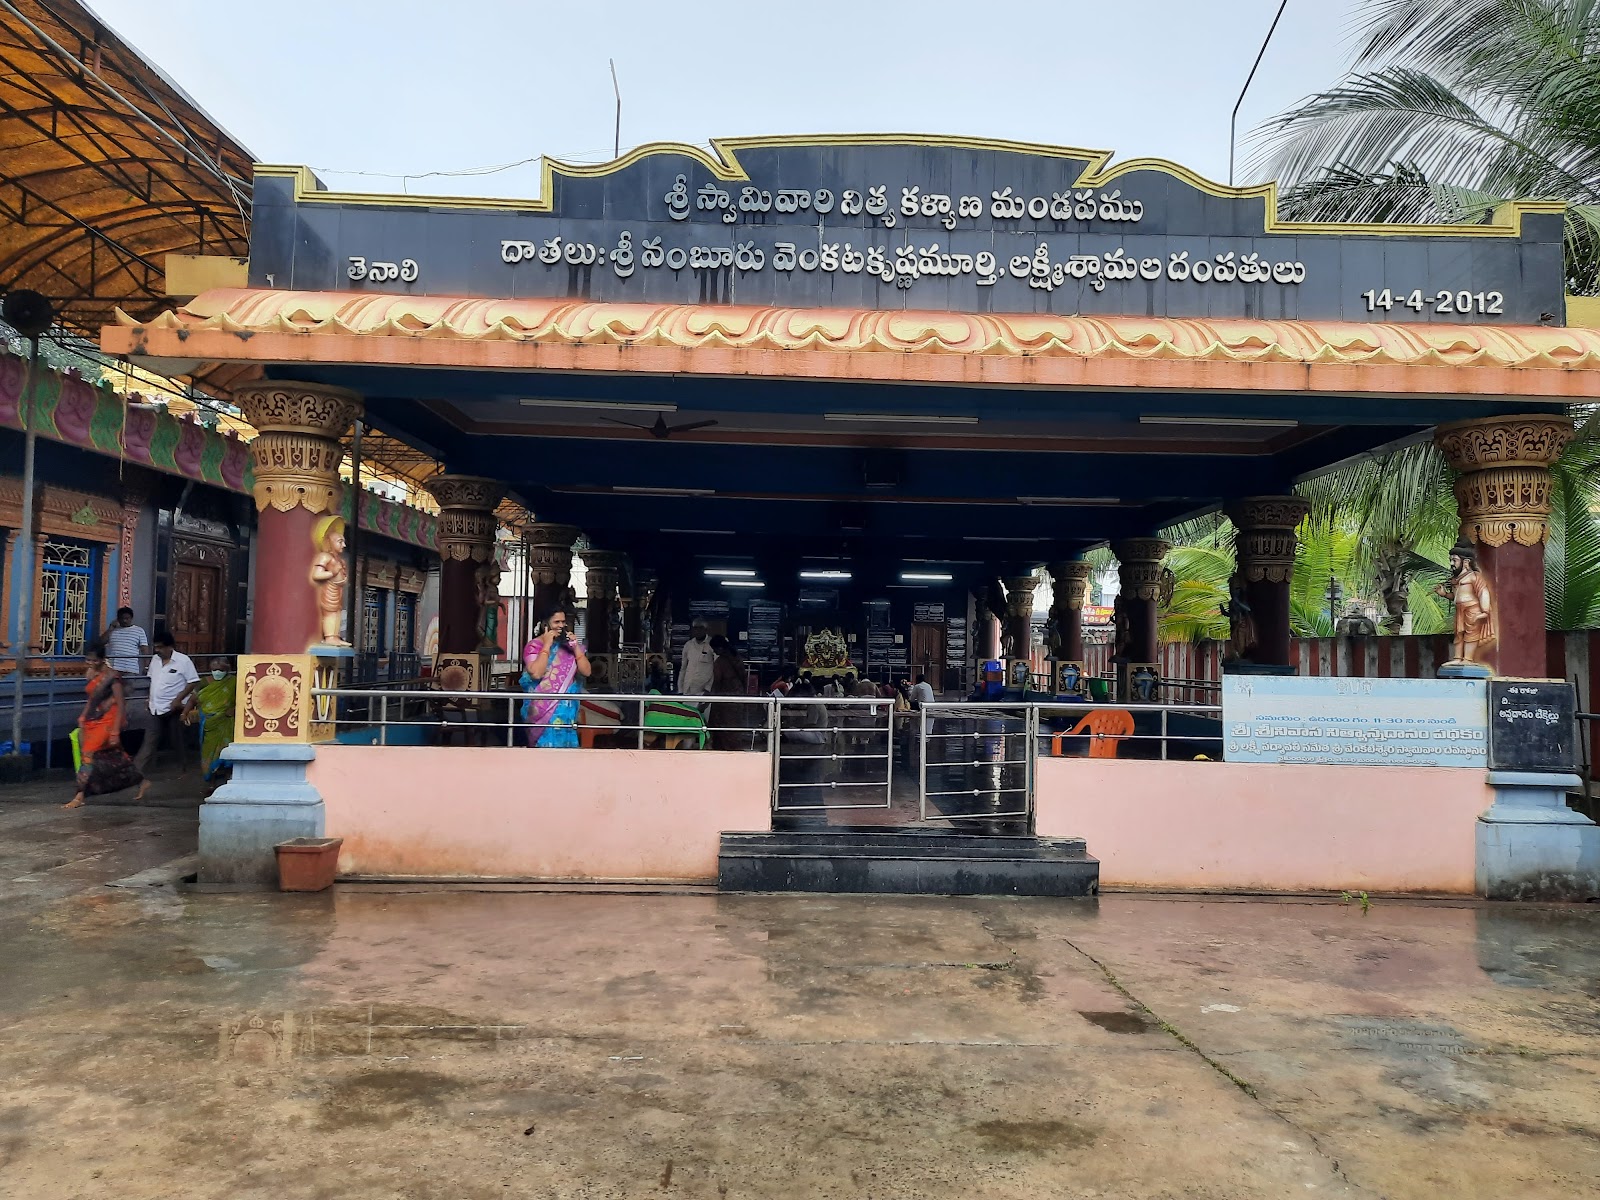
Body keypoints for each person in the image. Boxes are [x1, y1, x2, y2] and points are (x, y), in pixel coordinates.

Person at [65, 643, 147, 808]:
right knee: (112, 755)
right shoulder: (91, 674)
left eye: (93, 660)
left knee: (88, 752)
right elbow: (92, 699)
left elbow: (121, 703)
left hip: (110, 718)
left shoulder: (112, 676)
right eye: (87, 659)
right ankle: (141, 780)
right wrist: (83, 715)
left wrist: (116, 730)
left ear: (102, 660)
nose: (89, 663)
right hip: (95, 718)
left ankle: (80, 795)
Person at [521, 606, 592, 747]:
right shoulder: (534, 646)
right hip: (542, 712)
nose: (561, 626)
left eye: (563, 622)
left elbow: (587, 672)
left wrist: (576, 647)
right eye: (556, 622)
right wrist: (547, 645)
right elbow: (536, 673)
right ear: (545, 624)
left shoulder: (567, 647)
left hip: (566, 713)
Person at [135, 633, 201, 774]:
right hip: (155, 707)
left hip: (174, 708)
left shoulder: (183, 661)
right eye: (156, 647)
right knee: (150, 739)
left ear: (170, 647)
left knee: (176, 739)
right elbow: (153, 681)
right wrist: (149, 698)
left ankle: (183, 767)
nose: (157, 650)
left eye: (160, 647)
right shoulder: (155, 660)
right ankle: (137, 771)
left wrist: (178, 699)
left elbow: (193, 681)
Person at [183, 656, 237, 780]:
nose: (217, 672)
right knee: (208, 752)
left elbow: (243, 699)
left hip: (226, 722)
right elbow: (192, 700)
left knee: (226, 751)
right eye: (215, 669)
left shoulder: (234, 682)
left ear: (227, 670)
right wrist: (184, 713)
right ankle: (211, 781)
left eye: (221, 670)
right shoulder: (203, 682)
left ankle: (228, 778)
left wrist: (235, 709)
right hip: (208, 723)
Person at [309, 515, 351, 647]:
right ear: (330, 542)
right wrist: (332, 572)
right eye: (340, 541)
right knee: (330, 613)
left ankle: (335, 636)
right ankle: (329, 637)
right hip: (329, 590)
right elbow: (316, 574)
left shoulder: (340, 560)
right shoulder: (324, 557)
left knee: (337, 612)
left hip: (338, 589)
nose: (343, 545)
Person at [709, 635, 750, 751]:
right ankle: (735, 750)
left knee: (722, 729)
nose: (714, 652)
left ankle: (725, 751)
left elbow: (716, 682)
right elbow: (744, 678)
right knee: (734, 728)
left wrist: (709, 700)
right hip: (738, 697)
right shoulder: (737, 658)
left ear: (719, 648)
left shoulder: (720, 662)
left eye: (714, 649)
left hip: (724, 700)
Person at [100, 607, 149, 674]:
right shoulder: (113, 630)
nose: (124, 621)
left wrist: (146, 666)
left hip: (130, 669)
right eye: (122, 618)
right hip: (113, 669)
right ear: (118, 619)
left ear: (131, 618)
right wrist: (110, 628)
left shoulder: (139, 631)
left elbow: (144, 650)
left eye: (127, 618)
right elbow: (101, 642)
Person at [678, 620, 715, 696]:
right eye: (695, 628)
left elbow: (716, 668)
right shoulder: (688, 645)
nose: (698, 631)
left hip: (703, 691)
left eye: (701, 628)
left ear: (706, 630)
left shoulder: (712, 644)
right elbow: (683, 668)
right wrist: (680, 690)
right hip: (687, 689)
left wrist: (708, 688)